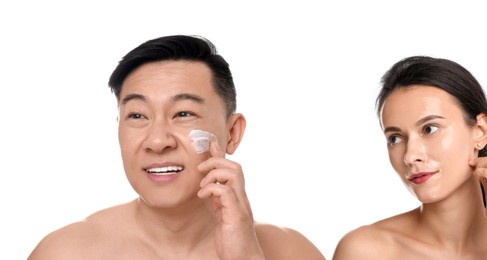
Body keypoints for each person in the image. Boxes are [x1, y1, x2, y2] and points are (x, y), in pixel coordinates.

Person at [29, 35, 325, 260]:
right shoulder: (65, 252)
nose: (158, 141)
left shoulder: (292, 251)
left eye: (183, 113)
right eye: (137, 115)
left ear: (232, 133)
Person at [332, 56, 487, 259]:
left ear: (480, 131)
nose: (410, 156)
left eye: (430, 129)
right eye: (395, 138)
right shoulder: (365, 251)